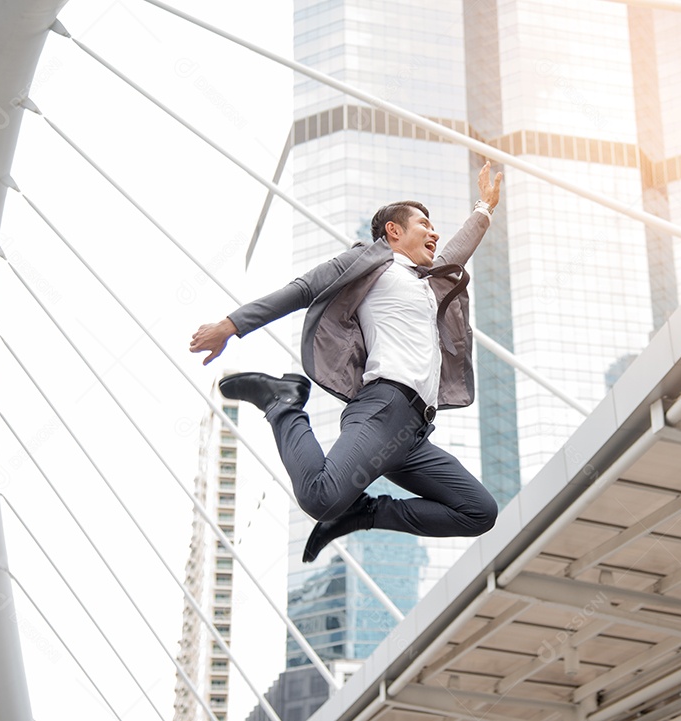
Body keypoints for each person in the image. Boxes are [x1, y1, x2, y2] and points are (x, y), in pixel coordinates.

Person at [189, 162, 503, 562]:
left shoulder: (426, 281)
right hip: (383, 407)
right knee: (320, 498)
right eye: (424, 224)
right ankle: (282, 404)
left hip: (414, 432)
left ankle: (367, 512)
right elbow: (301, 290)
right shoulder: (368, 265)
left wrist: (484, 208)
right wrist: (231, 325)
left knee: (478, 511)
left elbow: (455, 253)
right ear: (394, 231)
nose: (434, 232)